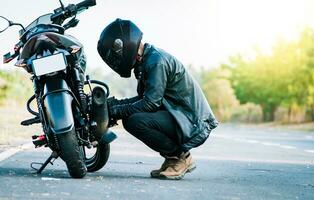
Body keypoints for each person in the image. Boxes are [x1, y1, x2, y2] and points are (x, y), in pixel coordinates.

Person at [97, 18, 218, 180]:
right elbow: (145, 98)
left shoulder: (156, 61)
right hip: (179, 115)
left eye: (116, 51)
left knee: (135, 121)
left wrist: (116, 110)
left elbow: (150, 103)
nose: (116, 58)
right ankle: (172, 158)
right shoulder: (148, 59)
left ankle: (180, 157)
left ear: (125, 44)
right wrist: (115, 104)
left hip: (191, 121)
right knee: (132, 117)